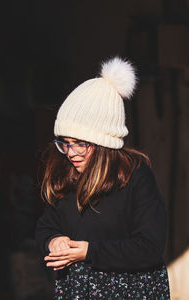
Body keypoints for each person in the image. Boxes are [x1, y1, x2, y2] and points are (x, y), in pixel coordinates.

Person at [35, 57, 171, 299]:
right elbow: (48, 224)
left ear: (104, 144)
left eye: (80, 144)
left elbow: (149, 246)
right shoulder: (66, 175)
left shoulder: (136, 178)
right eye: (65, 143)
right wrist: (53, 240)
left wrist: (88, 252)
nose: (70, 153)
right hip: (79, 290)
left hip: (130, 291)